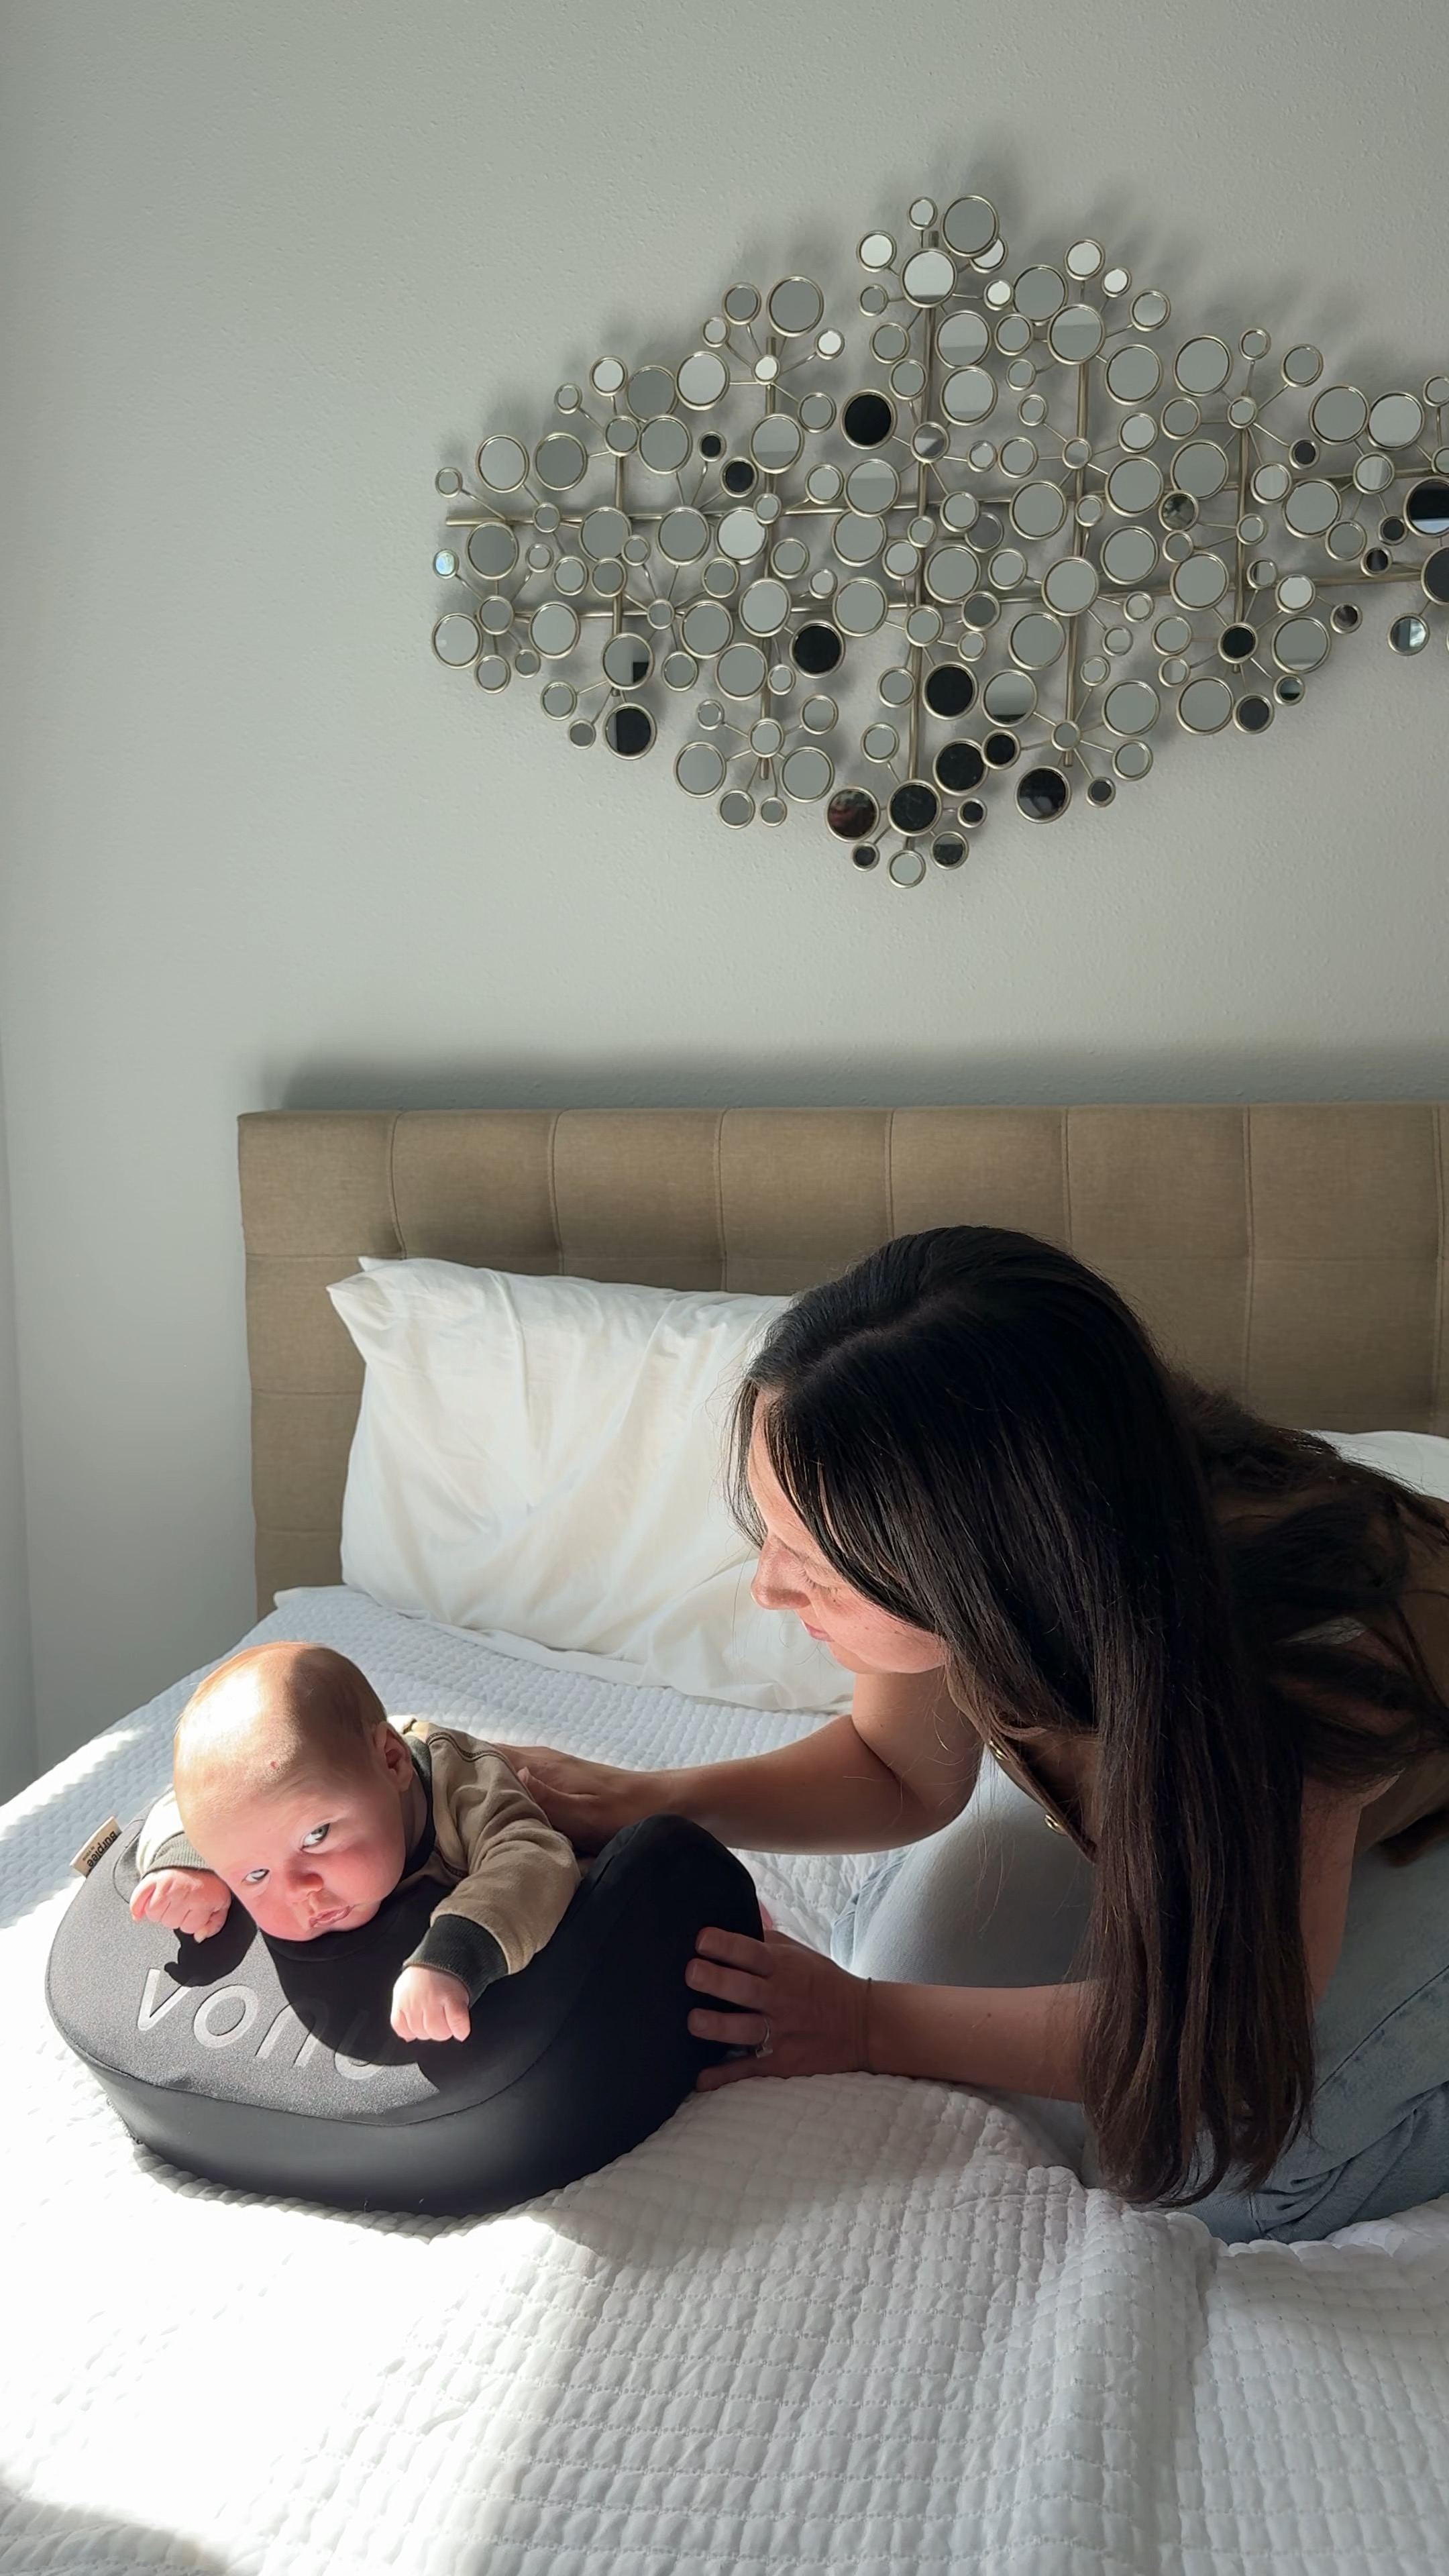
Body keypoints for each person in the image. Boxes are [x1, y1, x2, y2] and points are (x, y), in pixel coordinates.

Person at [500, 1226, 1449, 2243]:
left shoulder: (1289, 1670)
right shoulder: (1016, 1502)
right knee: (916, 1959)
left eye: (815, 1570)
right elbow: (895, 1769)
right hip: (1155, 1709)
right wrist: (647, 1798)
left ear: (975, 1573)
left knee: (1223, 2175)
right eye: (772, 1535)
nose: (770, 1590)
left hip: (1373, 1771)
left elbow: (1213, 2040)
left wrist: (865, 2021)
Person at [131, 1641, 579, 2043]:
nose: (299, 1890)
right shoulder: (253, 1816)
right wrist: (188, 1865)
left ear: (391, 1760)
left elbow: (536, 1857)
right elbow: (178, 1808)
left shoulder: (465, 1787)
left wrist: (457, 1953)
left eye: (316, 1835)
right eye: (256, 1873)